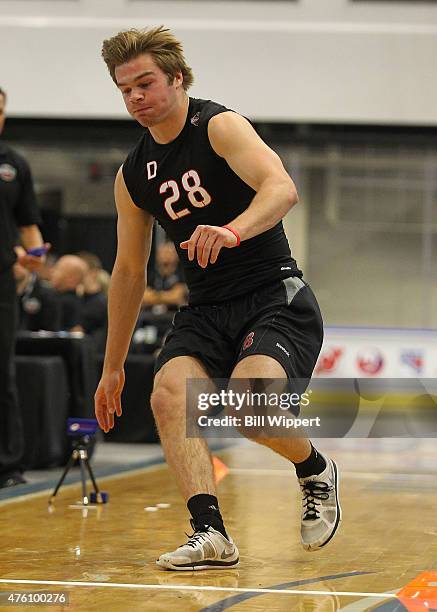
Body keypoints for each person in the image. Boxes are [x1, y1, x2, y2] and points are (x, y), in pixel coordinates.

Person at [95, 27, 341, 570]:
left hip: (271, 295)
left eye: (146, 83)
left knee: (248, 404)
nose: (136, 97)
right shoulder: (133, 174)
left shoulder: (219, 125)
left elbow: (281, 188)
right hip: (205, 310)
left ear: (177, 78)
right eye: (125, 89)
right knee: (167, 396)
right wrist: (112, 367)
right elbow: (130, 271)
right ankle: (210, 533)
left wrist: (233, 230)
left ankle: (315, 469)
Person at [0, 86, 48, 488]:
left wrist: (34, 258)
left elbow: (28, 222)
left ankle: (7, 465)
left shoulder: (14, 164)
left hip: (3, 280)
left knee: (3, 368)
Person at [14, 246, 61, 332]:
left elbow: (51, 332)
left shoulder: (47, 295)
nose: (15, 267)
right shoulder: (5, 293)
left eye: (18, 262)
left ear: (30, 264)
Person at [142, 241, 187, 311]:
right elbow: (143, 296)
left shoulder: (182, 275)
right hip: (150, 318)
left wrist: (154, 296)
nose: (166, 256)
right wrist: (168, 296)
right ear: (157, 256)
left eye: (169, 253)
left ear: (176, 256)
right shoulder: (151, 275)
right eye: (163, 253)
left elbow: (177, 296)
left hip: (172, 316)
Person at [50, 254, 88, 331]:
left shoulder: (65, 303)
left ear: (72, 278)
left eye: (57, 268)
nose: (52, 271)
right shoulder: (79, 301)